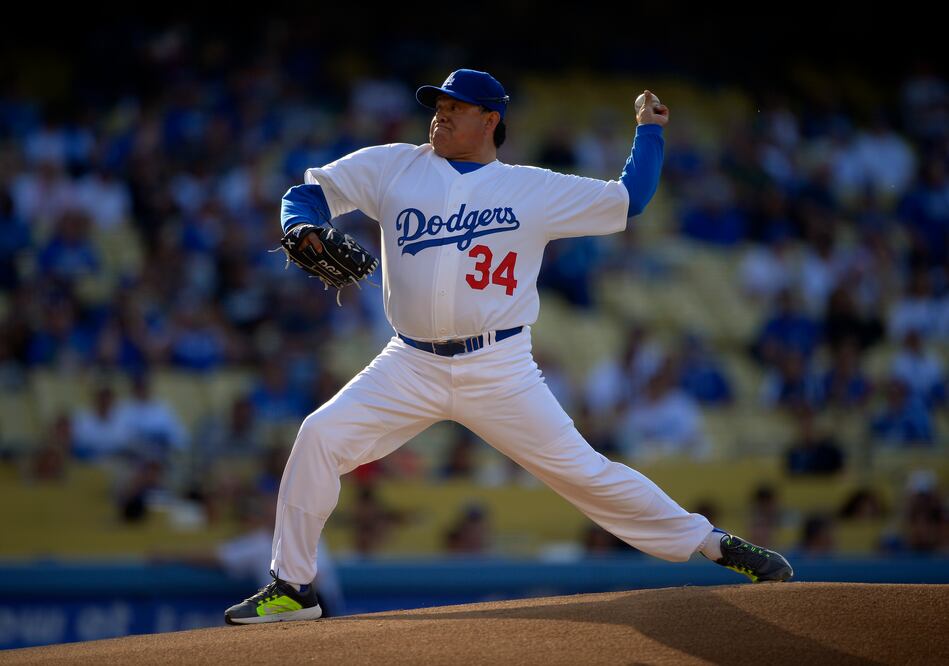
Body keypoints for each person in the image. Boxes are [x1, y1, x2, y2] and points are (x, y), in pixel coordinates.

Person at [224, 68, 794, 625]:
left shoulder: (531, 188)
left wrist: (649, 131)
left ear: (490, 120)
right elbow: (311, 191)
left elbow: (631, 199)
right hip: (410, 362)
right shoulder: (395, 165)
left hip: (497, 365)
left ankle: (710, 542)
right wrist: (300, 225)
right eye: (438, 106)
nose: (441, 115)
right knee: (319, 436)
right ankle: (293, 587)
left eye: (455, 108)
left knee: (584, 472)